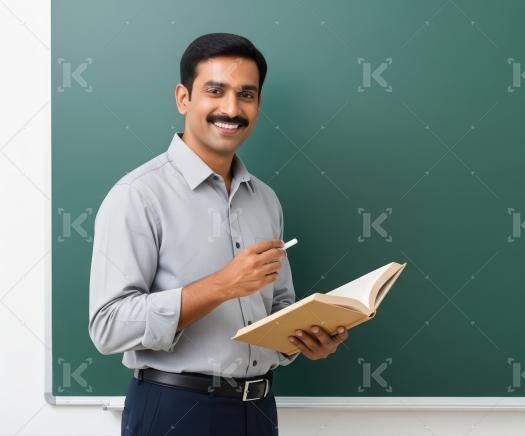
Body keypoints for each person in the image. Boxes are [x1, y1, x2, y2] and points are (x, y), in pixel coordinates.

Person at [88, 33, 347, 435]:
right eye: (215, 91)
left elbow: (279, 306)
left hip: (259, 412)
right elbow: (108, 326)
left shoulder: (265, 200)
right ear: (183, 98)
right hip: (174, 411)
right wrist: (221, 286)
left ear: (258, 104)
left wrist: (304, 338)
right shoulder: (138, 195)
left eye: (246, 94)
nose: (231, 108)